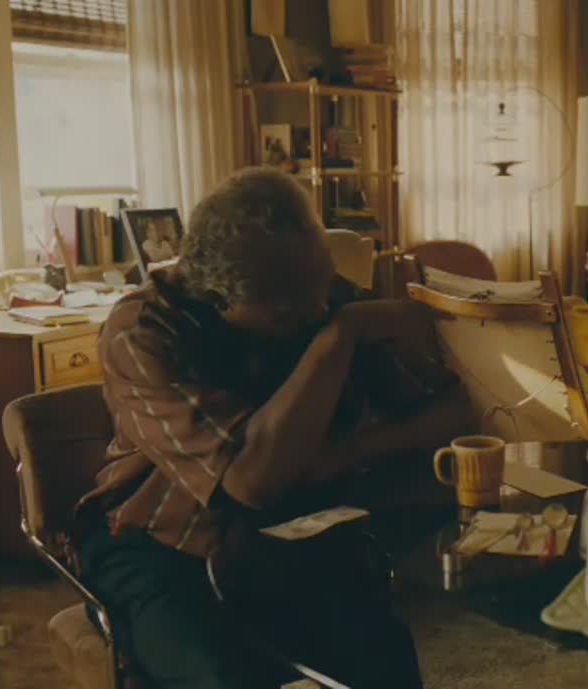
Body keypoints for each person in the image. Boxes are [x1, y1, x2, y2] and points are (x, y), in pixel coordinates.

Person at [75, 166, 473, 689]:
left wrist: (348, 450)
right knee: (222, 677)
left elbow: (453, 413)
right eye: (292, 311)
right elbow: (250, 483)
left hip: (289, 536)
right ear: (221, 299)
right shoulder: (143, 332)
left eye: (324, 283)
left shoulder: (308, 291)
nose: (320, 309)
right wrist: (337, 340)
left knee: (381, 660)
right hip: (159, 542)